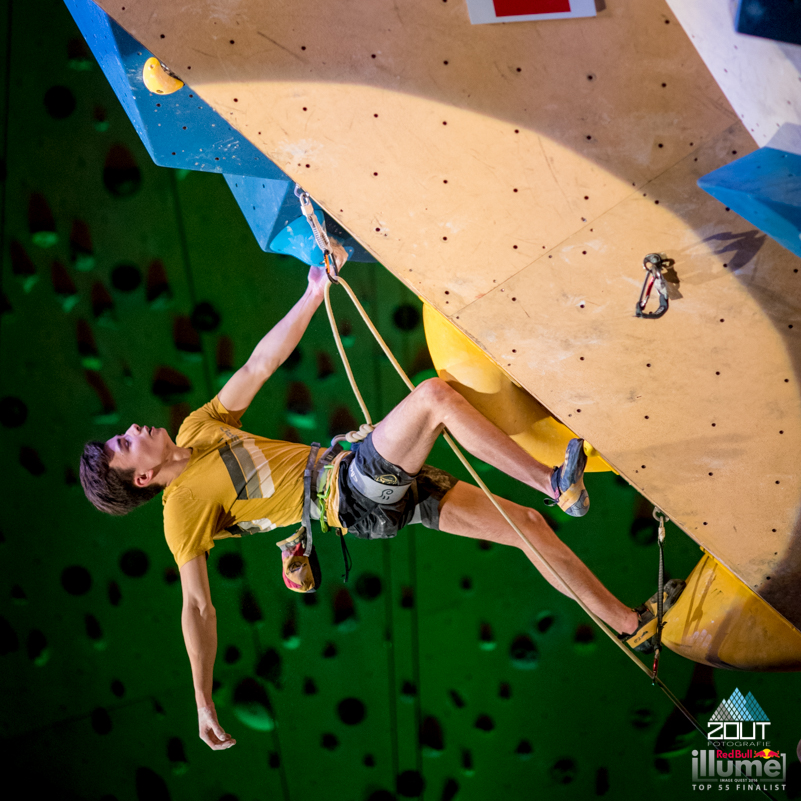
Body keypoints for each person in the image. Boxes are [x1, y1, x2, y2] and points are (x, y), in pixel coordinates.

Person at [79, 264, 684, 751]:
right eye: (125, 446)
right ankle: (555, 482)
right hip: (350, 494)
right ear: (145, 477)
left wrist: (315, 291)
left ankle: (632, 625)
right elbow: (197, 605)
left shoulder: (197, 427)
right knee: (433, 399)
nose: (132, 429)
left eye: (123, 434)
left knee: (524, 527)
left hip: (357, 486)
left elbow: (259, 364)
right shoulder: (179, 510)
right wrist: (202, 696)